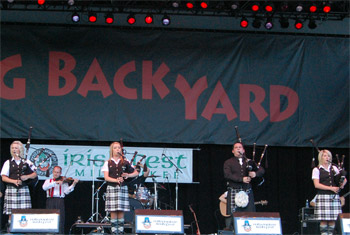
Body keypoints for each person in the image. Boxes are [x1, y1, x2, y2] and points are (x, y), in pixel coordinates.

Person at [223, 142, 265, 230]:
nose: (238, 149)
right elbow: (227, 175)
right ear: (233, 151)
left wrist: (255, 174)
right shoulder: (228, 162)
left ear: (243, 150)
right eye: (236, 148)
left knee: (250, 214)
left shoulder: (249, 161)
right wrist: (241, 179)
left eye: (240, 147)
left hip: (247, 191)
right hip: (234, 190)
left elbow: (261, 170)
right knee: (234, 215)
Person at [101, 142, 139, 234]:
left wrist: (128, 175)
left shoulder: (125, 161)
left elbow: (136, 173)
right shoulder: (108, 162)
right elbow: (106, 177)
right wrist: (116, 180)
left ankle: (120, 232)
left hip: (122, 188)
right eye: (115, 148)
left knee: (121, 211)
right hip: (112, 188)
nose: (118, 149)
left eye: (119, 148)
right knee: (113, 211)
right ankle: (114, 232)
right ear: (112, 150)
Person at [1, 141, 37, 225]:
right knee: (11, 213)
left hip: (23, 189)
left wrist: (27, 177)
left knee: (24, 212)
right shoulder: (8, 162)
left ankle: (23, 229)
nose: (14, 150)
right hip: (11, 190)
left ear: (20, 150)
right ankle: (11, 228)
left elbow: (35, 174)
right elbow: (3, 177)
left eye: (16, 148)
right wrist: (14, 181)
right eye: (12, 148)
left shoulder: (26, 161)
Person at [312, 149, 347, 235]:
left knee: (332, 220)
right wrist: (331, 188)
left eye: (328, 156)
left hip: (333, 197)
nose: (327, 157)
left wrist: (342, 185)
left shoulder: (334, 168)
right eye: (325, 156)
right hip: (323, 196)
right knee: (324, 221)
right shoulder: (316, 169)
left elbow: (344, 179)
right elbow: (317, 185)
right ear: (321, 157)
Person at [42, 166, 79, 234]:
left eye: (58, 172)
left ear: (60, 173)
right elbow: (44, 187)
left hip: (59, 200)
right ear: (53, 172)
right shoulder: (48, 181)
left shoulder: (63, 182)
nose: (56, 174)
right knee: (49, 218)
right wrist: (55, 183)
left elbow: (66, 191)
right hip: (50, 200)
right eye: (55, 172)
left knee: (60, 219)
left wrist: (73, 184)